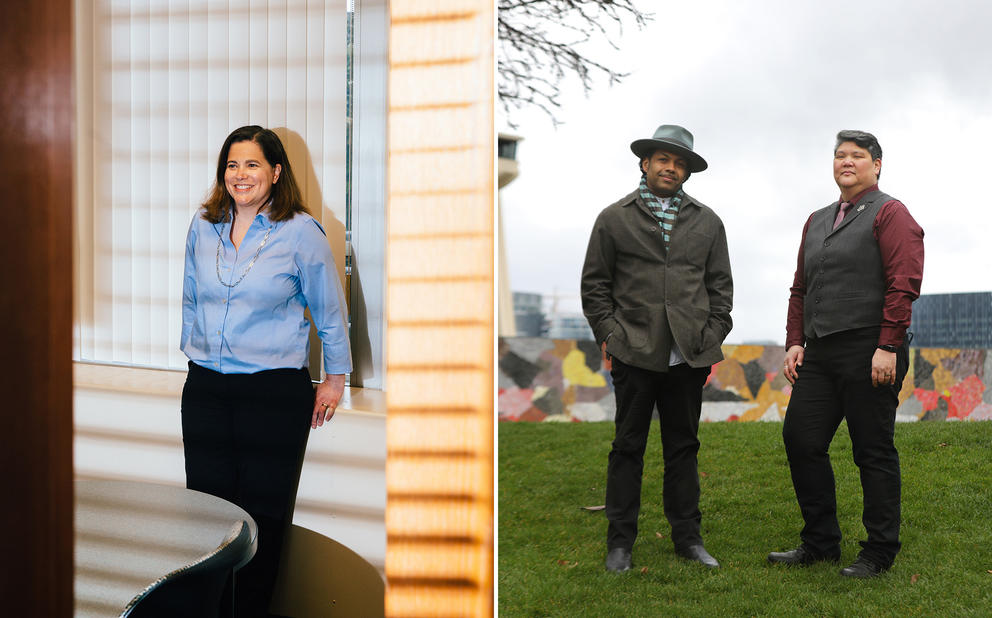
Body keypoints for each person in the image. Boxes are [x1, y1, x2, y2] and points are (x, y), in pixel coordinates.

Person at [181, 125, 352, 615]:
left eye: (252, 164)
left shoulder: (301, 231)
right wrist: (193, 350)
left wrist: (335, 379)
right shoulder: (204, 224)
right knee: (207, 515)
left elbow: (329, 309)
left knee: (262, 520)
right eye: (232, 164)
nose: (241, 174)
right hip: (206, 390)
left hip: (272, 394)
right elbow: (191, 295)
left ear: (276, 172)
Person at [769, 130, 924, 578]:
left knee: (871, 451)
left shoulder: (891, 212)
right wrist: (795, 340)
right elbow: (801, 287)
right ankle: (819, 543)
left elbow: (903, 282)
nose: (847, 161)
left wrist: (888, 345)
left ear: (877, 166)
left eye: (858, 155)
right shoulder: (816, 220)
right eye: (840, 155)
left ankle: (879, 550)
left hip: (870, 349)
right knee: (801, 439)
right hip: (819, 351)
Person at [581, 124, 733, 573]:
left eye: (680, 162)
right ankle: (620, 543)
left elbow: (720, 288)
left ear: (687, 172)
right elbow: (595, 286)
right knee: (627, 448)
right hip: (634, 352)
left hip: (688, 356)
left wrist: (712, 333)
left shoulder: (707, 222)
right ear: (645, 163)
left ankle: (688, 539)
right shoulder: (614, 218)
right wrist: (611, 336)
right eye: (663, 159)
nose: (671, 167)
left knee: (683, 449)